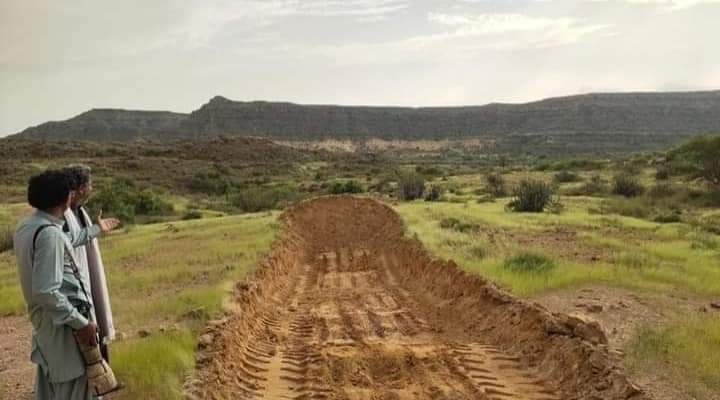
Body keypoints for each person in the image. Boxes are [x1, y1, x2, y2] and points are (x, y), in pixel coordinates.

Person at [14, 170, 99, 399]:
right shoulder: (49, 234)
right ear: (65, 198)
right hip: (63, 328)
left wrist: (96, 230)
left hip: (47, 324)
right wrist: (81, 323)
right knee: (74, 388)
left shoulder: (28, 226)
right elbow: (46, 291)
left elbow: (66, 244)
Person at [62, 164, 119, 361]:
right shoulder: (62, 214)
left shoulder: (79, 210)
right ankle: (95, 386)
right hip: (74, 282)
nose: (92, 188)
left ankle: (105, 377)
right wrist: (96, 229)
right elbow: (67, 241)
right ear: (81, 188)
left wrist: (96, 228)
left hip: (87, 275)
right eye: (90, 184)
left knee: (98, 321)